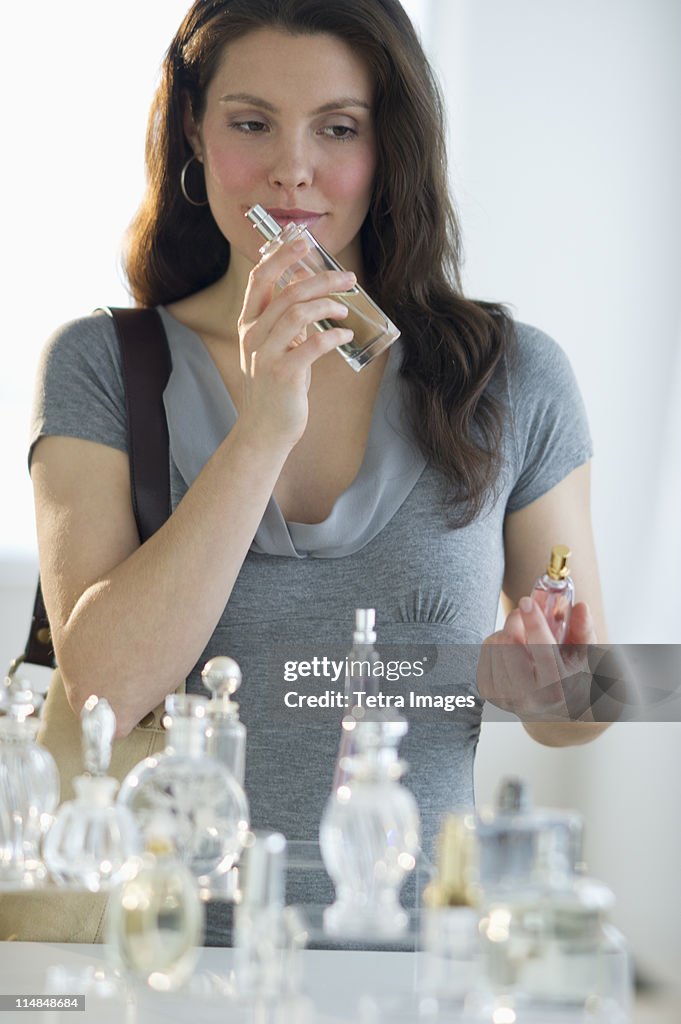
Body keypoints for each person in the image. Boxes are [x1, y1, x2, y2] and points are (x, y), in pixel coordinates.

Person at [27, 0, 609, 944]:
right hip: (155, 960)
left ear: (390, 149)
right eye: (250, 123)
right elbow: (100, 692)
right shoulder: (101, 364)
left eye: (337, 128)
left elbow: (592, 699)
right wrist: (262, 429)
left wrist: (544, 684)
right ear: (195, 130)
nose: (292, 168)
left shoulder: (511, 376)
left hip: (422, 960)